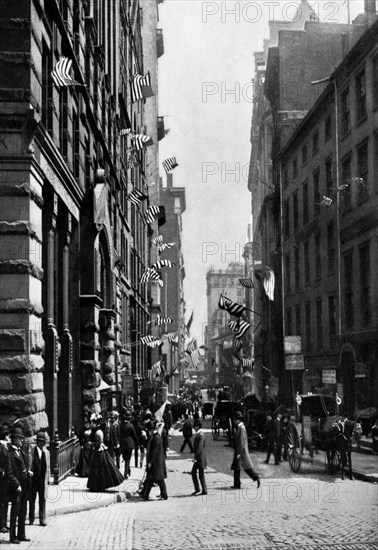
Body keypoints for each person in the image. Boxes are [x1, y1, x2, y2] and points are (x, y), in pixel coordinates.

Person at [7, 426, 32, 544]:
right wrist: (17, 484)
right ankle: (13, 536)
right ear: (15, 439)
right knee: (14, 512)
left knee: (23, 511)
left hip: (24, 486)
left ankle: (21, 534)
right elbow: (9, 473)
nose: (22, 441)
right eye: (20, 439)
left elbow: (23, 467)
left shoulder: (22, 453)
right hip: (16, 487)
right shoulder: (10, 455)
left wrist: (28, 472)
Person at [87, 426, 124, 492]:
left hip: (99, 451)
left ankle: (98, 485)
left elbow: (98, 444)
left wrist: (92, 444)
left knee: (98, 469)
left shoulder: (98, 432)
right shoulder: (100, 432)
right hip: (102, 450)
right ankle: (101, 485)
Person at [231, 411, 260, 489]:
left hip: (241, 452)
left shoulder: (241, 428)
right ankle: (236, 484)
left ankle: (256, 477)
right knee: (236, 468)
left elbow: (242, 441)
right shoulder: (240, 427)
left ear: (238, 420)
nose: (234, 421)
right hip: (239, 451)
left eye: (235, 419)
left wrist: (239, 453)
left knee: (246, 468)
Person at [142, 419, 168, 500]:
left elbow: (154, 452)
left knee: (158, 479)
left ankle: (164, 494)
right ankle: (146, 495)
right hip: (156, 462)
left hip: (156, 462)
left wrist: (150, 462)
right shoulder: (154, 437)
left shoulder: (156, 438)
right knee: (152, 479)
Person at [29, 431, 50, 527]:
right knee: (32, 500)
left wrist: (48, 479)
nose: (43, 444)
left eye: (44, 442)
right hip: (34, 480)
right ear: (38, 442)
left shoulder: (47, 452)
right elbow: (30, 465)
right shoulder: (32, 451)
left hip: (42, 480)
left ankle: (42, 519)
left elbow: (48, 467)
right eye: (41, 442)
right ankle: (31, 518)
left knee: (42, 500)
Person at [120, 410, 138, 479]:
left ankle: (128, 470)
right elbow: (134, 435)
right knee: (128, 459)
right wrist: (137, 443)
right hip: (130, 444)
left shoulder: (121, 425)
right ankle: (126, 472)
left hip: (123, 444)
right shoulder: (131, 426)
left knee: (125, 458)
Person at [0, 424, 12, 533]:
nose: (9, 436)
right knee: (2, 502)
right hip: (1, 478)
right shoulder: (0, 446)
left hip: (6, 479)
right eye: (8, 434)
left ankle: (4, 523)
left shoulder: (7, 446)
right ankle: (1, 524)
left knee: (6, 501)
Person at [191, 419, 207, 496]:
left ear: (197, 426)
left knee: (199, 473)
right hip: (199, 457)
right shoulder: (199, 434)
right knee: (196, 473)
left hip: (200, 457)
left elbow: (199, 448)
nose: (194, 428)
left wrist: (195, 457)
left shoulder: (201, 435)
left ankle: (203, 489)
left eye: (194, 427)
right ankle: (200, 489)